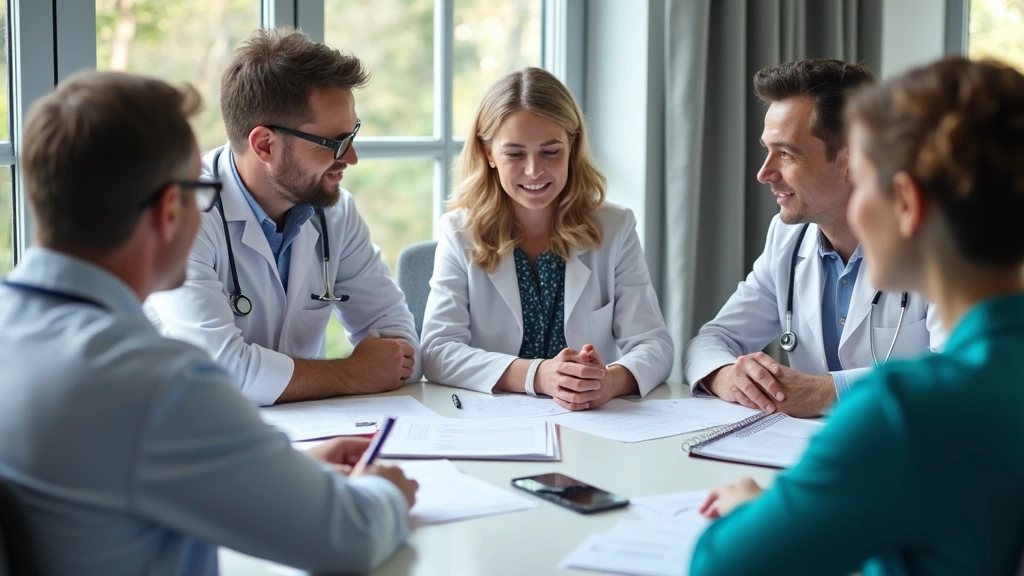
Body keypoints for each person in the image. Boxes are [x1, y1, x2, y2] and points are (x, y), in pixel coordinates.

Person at [0, 71, 417, 575]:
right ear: (169, 211)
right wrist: (384, 490)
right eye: (199, 191)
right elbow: (348, 537)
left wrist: (275, 474)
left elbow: (111, 481)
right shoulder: (160, 386)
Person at [691, 56, 1024, 576]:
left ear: (906, 203)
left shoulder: (902, 410)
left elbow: (719, 564)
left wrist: (765, 515)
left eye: (865, 180)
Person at [145, 28, 419, 406]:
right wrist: (354, 372)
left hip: (312, 426)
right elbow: (221, 373)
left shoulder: (336, 212)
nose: (352, 157)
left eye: (353, 134)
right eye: (336, 142)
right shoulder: (185, 214)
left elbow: (400, 350)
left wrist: (363, 369)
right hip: (195, 426)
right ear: (265, 145)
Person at [684, 58, 945, 417]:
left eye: (786, 154)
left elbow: (963, 375)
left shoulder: (936, 242)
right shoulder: (787, 238)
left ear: (853, 158)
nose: (764, 173)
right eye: (766, 150)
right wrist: (728, 375)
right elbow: (710, 341)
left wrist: (827, 392)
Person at [420, 67, 673, 410]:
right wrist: (538, 375)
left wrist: (609, 381)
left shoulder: (616, 228)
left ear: (573, 145)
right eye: (515, 154)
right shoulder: (458, 232)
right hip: (492, 419)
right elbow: (437, 351)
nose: (534, 170)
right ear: (488, 153)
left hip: (588, 420)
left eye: (550, 151)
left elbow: (655, 346)